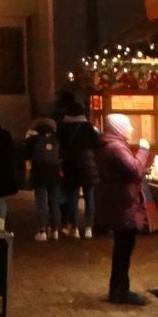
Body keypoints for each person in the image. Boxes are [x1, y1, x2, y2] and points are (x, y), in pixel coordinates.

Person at [97, 114, 151, 305]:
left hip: (118, 202)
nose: (131, 130)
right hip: (123, 203)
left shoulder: (109, 146)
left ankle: (119, 289)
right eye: (128, 126)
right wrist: (144, 149)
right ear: (119, 129)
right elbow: (135, 169)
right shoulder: (116, 148)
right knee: (123, 248)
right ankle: (120, 291)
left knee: (123, 247)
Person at [59, 102, 100, 238]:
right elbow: (97, 145)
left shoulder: (65, 129)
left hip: (72, 166)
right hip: (89, 166)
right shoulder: (89, 128)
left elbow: (62, 147)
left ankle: (74, 228)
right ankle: (89, 228)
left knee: (73, 198)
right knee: (89, 198)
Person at [23, 116, 63, 241]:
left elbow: (25, 155)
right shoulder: (57, 140)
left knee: (41, 202)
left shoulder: (33, 140)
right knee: (55, 201)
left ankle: (42, 231)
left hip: (39, 172)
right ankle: (55, 230)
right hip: (55, 173)